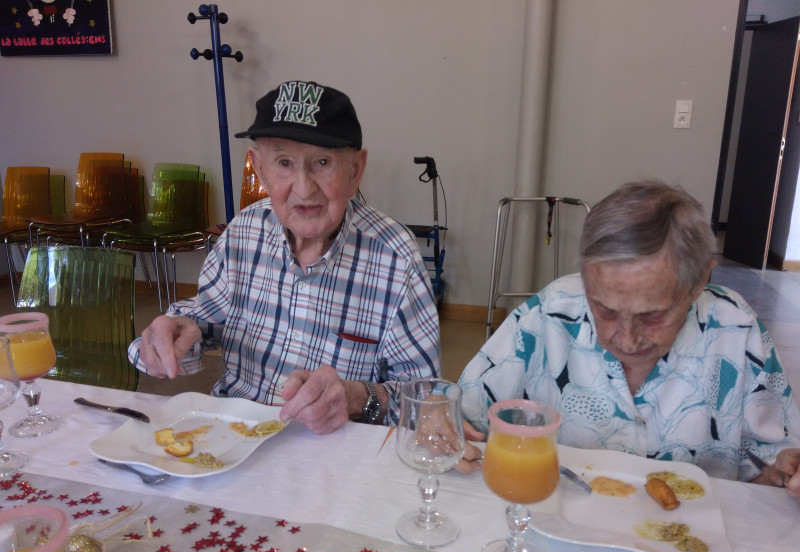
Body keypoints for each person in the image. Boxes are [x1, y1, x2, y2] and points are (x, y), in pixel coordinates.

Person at [128, 80, 444, 436]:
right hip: (231, 441)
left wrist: (358, 396)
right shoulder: (244, 232)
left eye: (322, 162)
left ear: (355, 170)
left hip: (332, 453)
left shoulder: (395, 257)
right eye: (284, 163)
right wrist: (173, 335)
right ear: (260, 170)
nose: (304, 188)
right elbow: (203, 322)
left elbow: (427, 399)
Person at [459, 180, 800, 499]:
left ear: (699, 282)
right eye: (604, 310)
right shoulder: (552, 310)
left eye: (651, 316)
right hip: (560, 527)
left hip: (687, 543)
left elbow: (773, 459)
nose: (626, 338)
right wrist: (443, 420)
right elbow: (464, 413)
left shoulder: (735, 326)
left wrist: (783, 472)